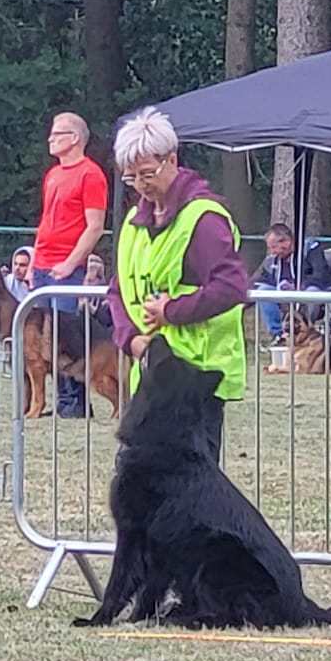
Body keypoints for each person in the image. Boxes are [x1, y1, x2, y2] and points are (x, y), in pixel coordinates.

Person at [105, 106, 250, 465]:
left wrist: (171, 312)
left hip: (196, 380)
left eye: (148, 173)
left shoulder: (204, 219)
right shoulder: (133, 222)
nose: (140, 183)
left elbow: (232, 287)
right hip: (152, 375)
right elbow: (118, 289)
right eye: (131, 177)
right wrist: (131, 340)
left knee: (189, 486)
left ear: (172, 159)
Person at [32, 112, 109, 418]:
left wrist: (70, 264)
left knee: (66, 335)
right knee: (44, 337)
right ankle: (56, 400)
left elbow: (94, 226)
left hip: (65, 266)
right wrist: (36, 260)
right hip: (43, 264)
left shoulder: (91, 175)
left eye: (57, 133)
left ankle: (74, 403)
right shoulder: (52, 175)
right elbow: (45, 220)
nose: (51, 139)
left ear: (75, 138)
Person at [252, 223, 331, 344]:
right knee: (263, 290)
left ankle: (305, 331)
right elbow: (261, 279)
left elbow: (321, 275)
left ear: (286, 241)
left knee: (312, 292)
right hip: (283, 298)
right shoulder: (272, 260)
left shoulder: (310, 250)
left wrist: (299, 286)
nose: (272, 252)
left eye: (274, 247)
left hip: (307, 291)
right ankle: (279, 334)